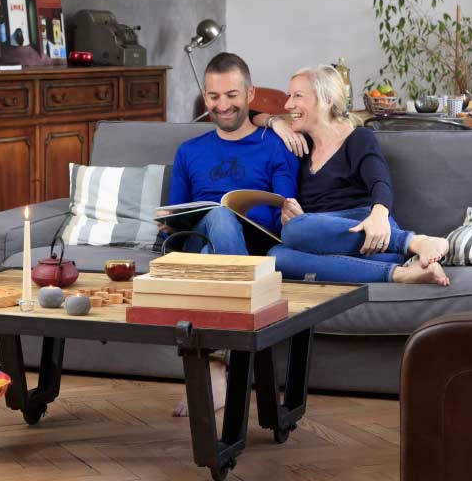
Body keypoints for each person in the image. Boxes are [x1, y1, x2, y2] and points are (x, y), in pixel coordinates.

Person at [156, 52, 299, 416]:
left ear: (250, 95)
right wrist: (169, 222)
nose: (223, 105)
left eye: (232, 95)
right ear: (205, 98)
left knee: (220, 222)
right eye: (214, 97)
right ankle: (229, 369)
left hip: (255, 246)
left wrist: (291, 212)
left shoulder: (277, 144)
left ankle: (214, 371)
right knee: (214, 221)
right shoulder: (189, 151)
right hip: (198, 244)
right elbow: (177, 216)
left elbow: (284, 209)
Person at [268, 65, 450, 286]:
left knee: (294, 230)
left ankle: (413, 242)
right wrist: (273, 121)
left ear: (326, 100)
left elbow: (380, 182)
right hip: (332, 239)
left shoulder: (358, 138)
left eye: (298, 96)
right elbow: (247, 114)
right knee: (277, 256)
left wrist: (380, 215)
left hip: (370, 228)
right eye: (289, 96)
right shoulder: (300, 147)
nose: (288, 105)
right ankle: (400, 273)